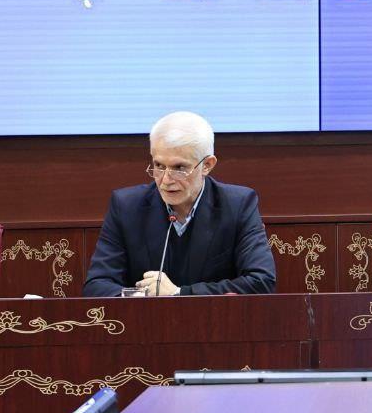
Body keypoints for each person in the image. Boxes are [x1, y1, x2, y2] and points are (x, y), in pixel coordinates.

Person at [83, 112, 277, 297]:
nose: (166, 180)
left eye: (179, 168)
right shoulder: (126, 207)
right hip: (145, 318)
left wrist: (178, 293)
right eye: (159, 166)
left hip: (214, 318)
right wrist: (145, 296)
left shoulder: (237, 205)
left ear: (207, 165)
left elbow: (261, 281)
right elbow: (97, 285)